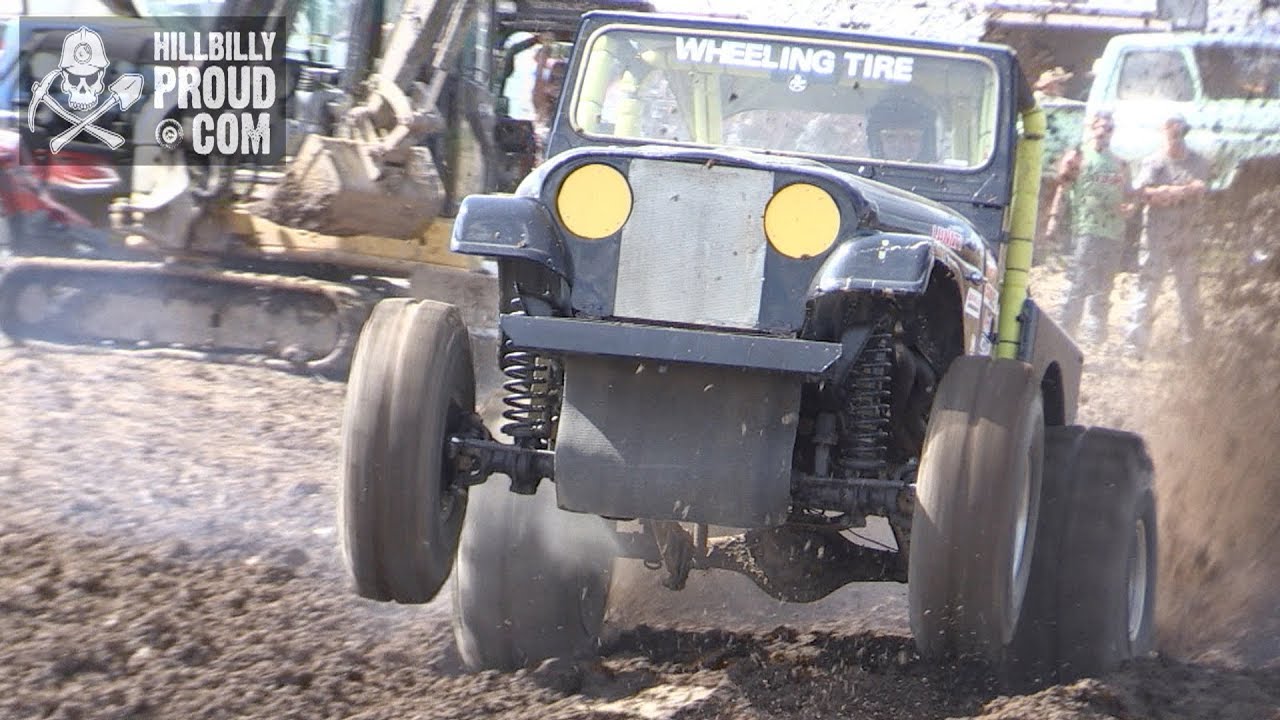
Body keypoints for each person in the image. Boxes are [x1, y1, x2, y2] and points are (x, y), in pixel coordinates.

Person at [1046, 109, 1138, 344]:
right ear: (1092, 128)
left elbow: (1129, 195)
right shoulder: (1078, 157)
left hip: (1113, 232)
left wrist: (1130, 208)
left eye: (1109, 128)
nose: (1104, 132)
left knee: (1104, 285)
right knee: (1079, 281)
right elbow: (1063, 189)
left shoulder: (1119, 163)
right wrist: (1054, 220)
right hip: (1087, 229)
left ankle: (1096, 336)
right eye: (1100, 127)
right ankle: (1066, 333)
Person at [1125, 113, 1212, 354]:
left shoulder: (1198, 162)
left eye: (1181, 133)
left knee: (1189, 291)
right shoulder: (1154, 162)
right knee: (1147, 287)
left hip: (1187, 235)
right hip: (1157, 235)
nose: (1176, 138)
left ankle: (1193, 347)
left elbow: (1200, 188)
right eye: (1172, 133)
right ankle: (1135, 344)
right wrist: (1174, 192)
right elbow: (1144, 193)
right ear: (1164, 132)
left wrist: (1170, 192)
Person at [865, 95, 937, 163]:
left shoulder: (940, 170)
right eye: (890, 137)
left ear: (925, 142)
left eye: (911, 137)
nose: (901, 146)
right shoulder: (861, 170)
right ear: (878, 141)